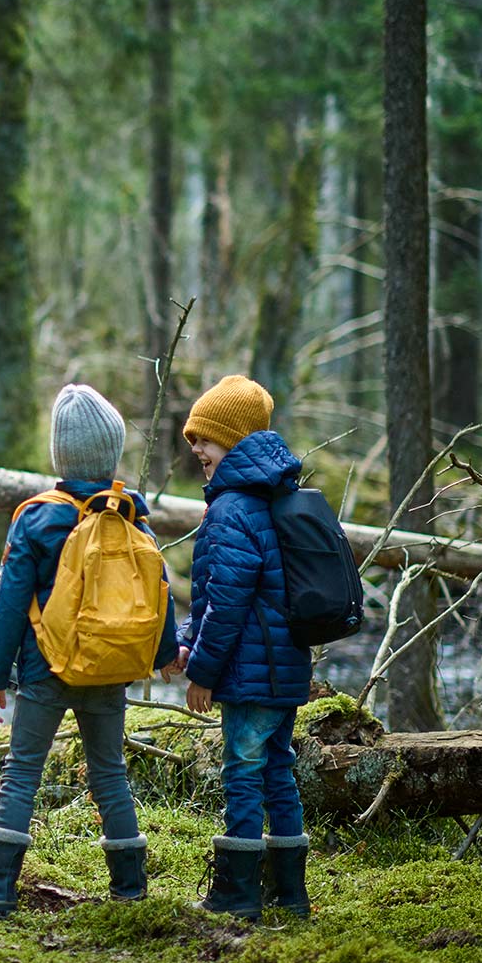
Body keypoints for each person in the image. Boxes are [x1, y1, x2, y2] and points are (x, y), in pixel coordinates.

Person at [0, 384, 181, 918]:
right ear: (112, 453)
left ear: (59, 455)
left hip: (45, 668)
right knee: (110, 772)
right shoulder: (132, 518)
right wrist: (165, 654)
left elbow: (8, 603)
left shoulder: (36, 518)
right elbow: (158, 592)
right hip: (109, 670)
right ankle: (129, 889)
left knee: (23, 769)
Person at [177, 374, 313, 919]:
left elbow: (227, 603)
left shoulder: (232, 509)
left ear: (233, 438)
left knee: (242, 771)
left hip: (250, 676)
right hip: (285, 673)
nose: (195, 449)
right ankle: (290, 893)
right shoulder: (273, 496)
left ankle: (237, 895)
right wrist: (190, 640)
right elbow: (216, 597)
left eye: (203, 437)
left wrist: (203, 671)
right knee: (278, 772)